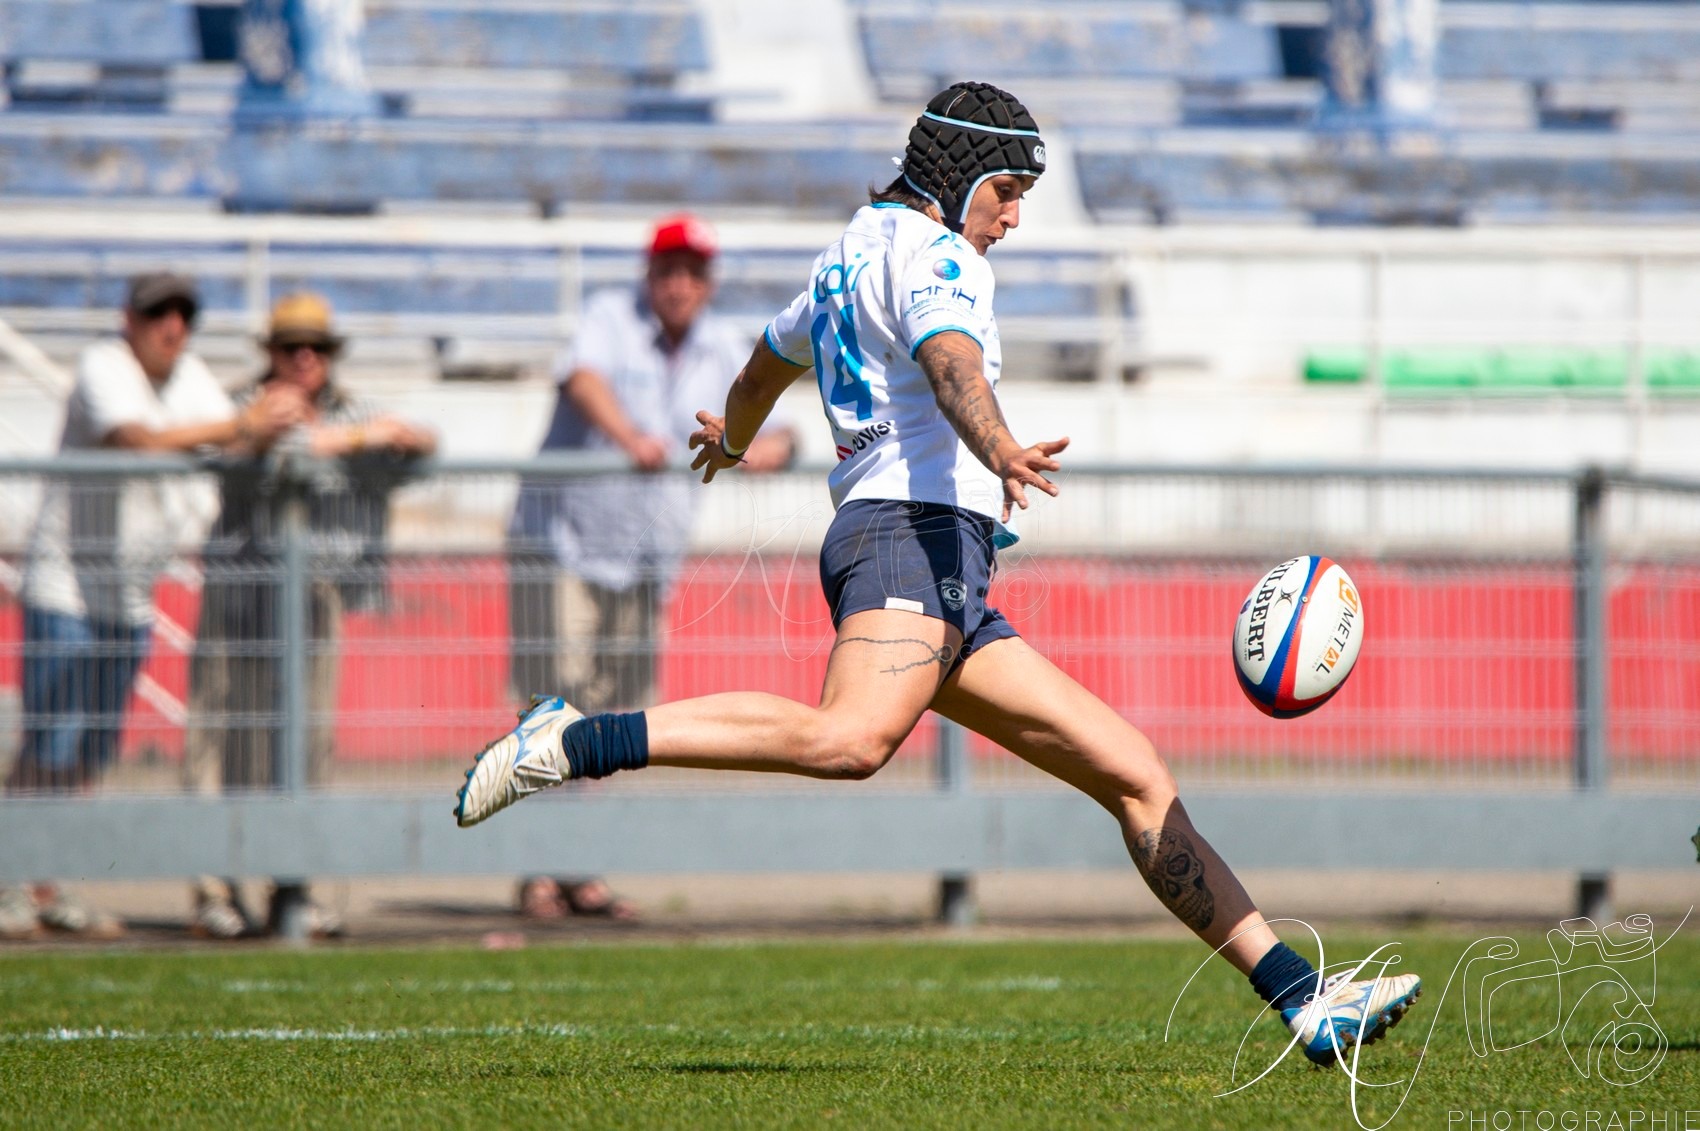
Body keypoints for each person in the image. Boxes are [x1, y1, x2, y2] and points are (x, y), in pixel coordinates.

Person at [456, 82, 1421, 1067]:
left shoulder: (846, 256)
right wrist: (999, 446)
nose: (1011, 217)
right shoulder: (937, 255)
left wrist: (734, 438)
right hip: (905, 537)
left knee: (1135, 777)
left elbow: (759, 365)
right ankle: (576, 741)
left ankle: (1303, 1001)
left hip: (938, 560)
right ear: (957, 177)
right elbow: (950, 357)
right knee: (850, 739)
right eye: (1005, 190)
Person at [506, 213, 795, 921]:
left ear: (706, 282)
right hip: (566, 544)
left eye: (692, 272)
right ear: (651, 276)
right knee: (556, 700)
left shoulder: (720, 342)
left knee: (606, 711)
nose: (679, 285)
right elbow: (581, 377)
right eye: (669, 270)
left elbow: (777, 420)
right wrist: (629, 435)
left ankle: (578, 865)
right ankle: (541, 869)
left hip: (645, 560)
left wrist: (759, 448)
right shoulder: (610, 316)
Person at [2, 272, 303, 939]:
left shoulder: (190, 377)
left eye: (183, 314)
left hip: (131, 593)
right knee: (48, 737)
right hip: (68, 581)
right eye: (159, 313)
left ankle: (52, 878)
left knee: (89, 747)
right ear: (130, 319)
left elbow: (227, 440)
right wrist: (242, 421)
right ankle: (10, 877)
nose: (173, 326)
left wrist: (268, 425)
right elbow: (132, 438)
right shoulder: (102, 365)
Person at [184, 291, 435, 939]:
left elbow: (425, 445)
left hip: (317, 595)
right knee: (226, 738)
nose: (304, 358)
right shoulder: (241, 407)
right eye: (291, 346)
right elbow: (227, 457)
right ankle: (215, 888)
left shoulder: (353, 408)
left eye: (316, 347)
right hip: (242, 588)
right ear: (269, 353)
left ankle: (292, 886)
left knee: (308, 742)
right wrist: (338, 438)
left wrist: (384, 436)